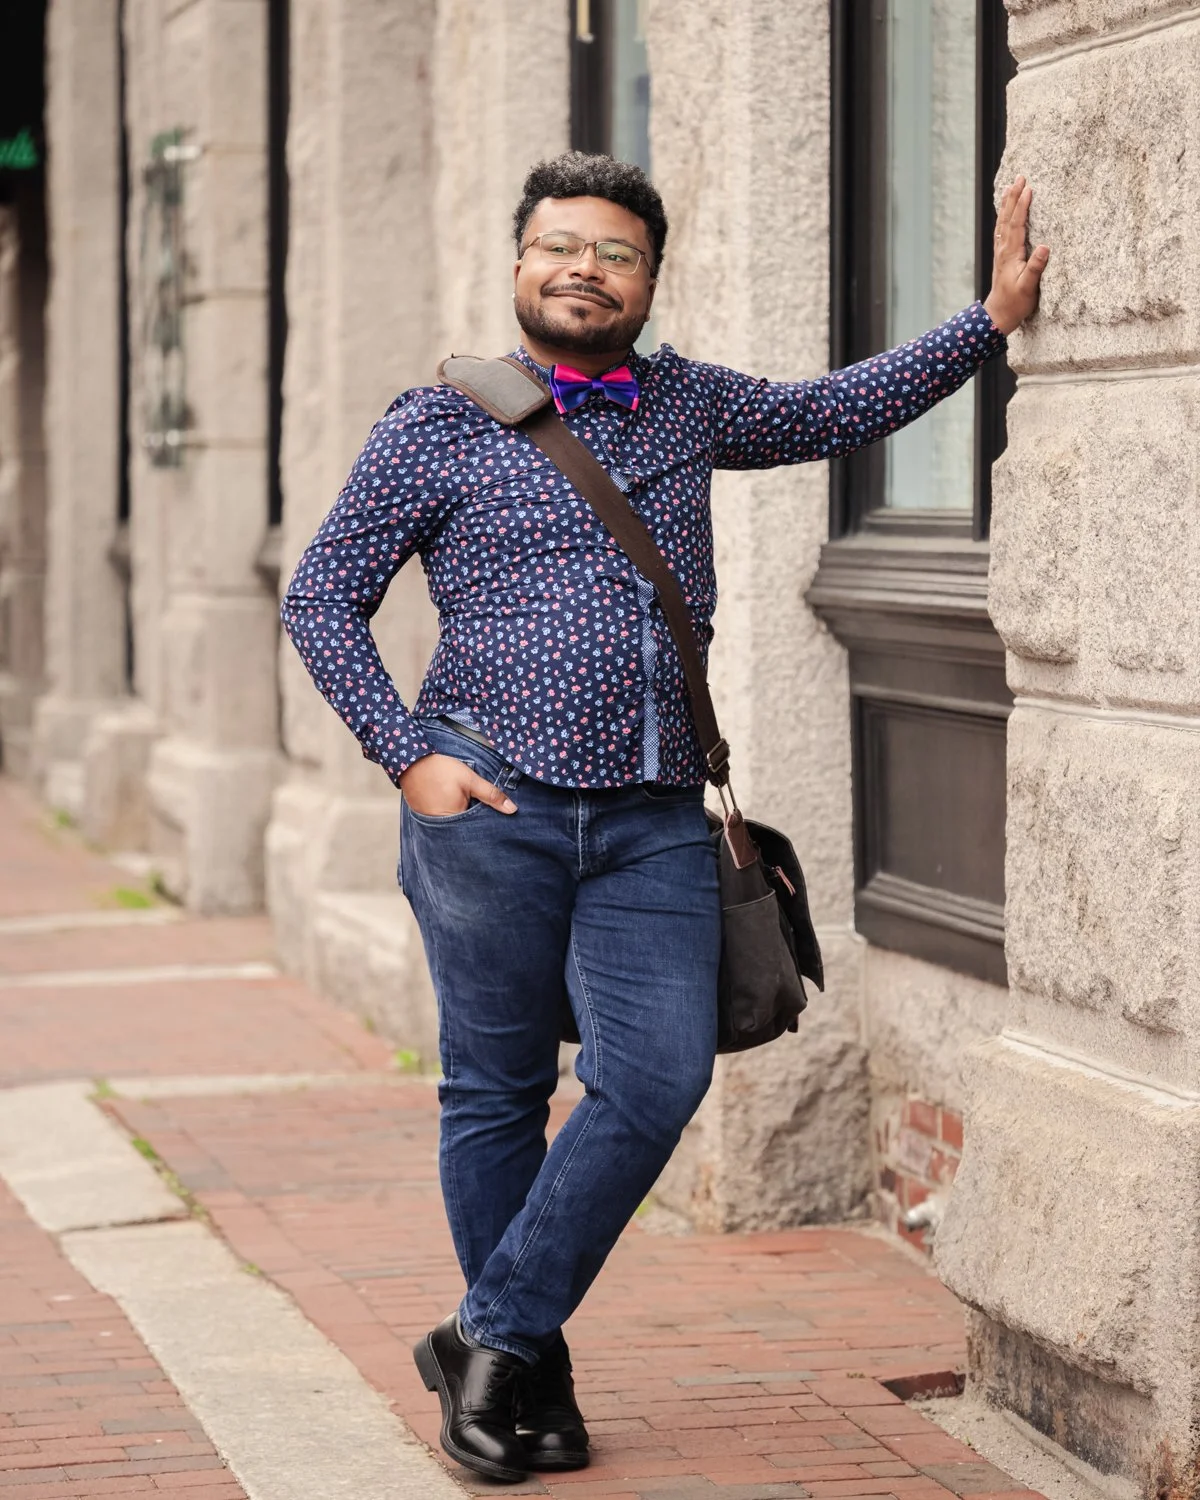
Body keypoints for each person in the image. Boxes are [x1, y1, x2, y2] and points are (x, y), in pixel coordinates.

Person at [281, 151, 1049, 1483]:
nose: (585, 268)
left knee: (656, 1078)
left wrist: (986, 322)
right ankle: (530, 1377)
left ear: (648, 280)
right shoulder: (435, 424)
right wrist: (407, 759)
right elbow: (321, 597)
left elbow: (836, 408)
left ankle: (486, 1335)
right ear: (520, 263)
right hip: (489, 808)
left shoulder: (690, 405)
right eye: (560, 246)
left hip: (651, 818)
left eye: (616, 253)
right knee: (497, 1091)